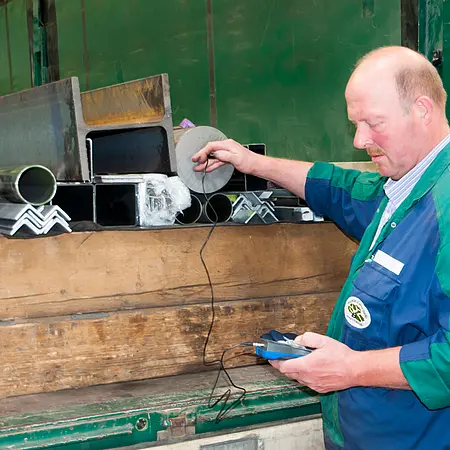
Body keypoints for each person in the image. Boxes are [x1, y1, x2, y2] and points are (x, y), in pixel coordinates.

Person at [192, 46, 450, 449]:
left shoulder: (444, 206)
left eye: (373, 123)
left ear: (422, 109)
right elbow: (339, 189)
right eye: (355, 123)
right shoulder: (404, 187)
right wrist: (250, 162)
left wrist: (352, 369)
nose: (360, 139)